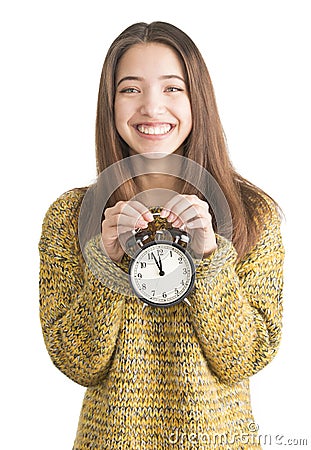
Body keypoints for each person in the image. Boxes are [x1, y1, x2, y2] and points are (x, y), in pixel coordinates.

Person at [39, 21, 285, 449]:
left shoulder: (252, 214)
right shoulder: (70, 217)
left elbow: (245, 357)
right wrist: (107, 267)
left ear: (198, 100)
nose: (152, 108)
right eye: (130, 89)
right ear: (110, 103)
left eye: (173, 88)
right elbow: (78, 363)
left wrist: (210, 259)